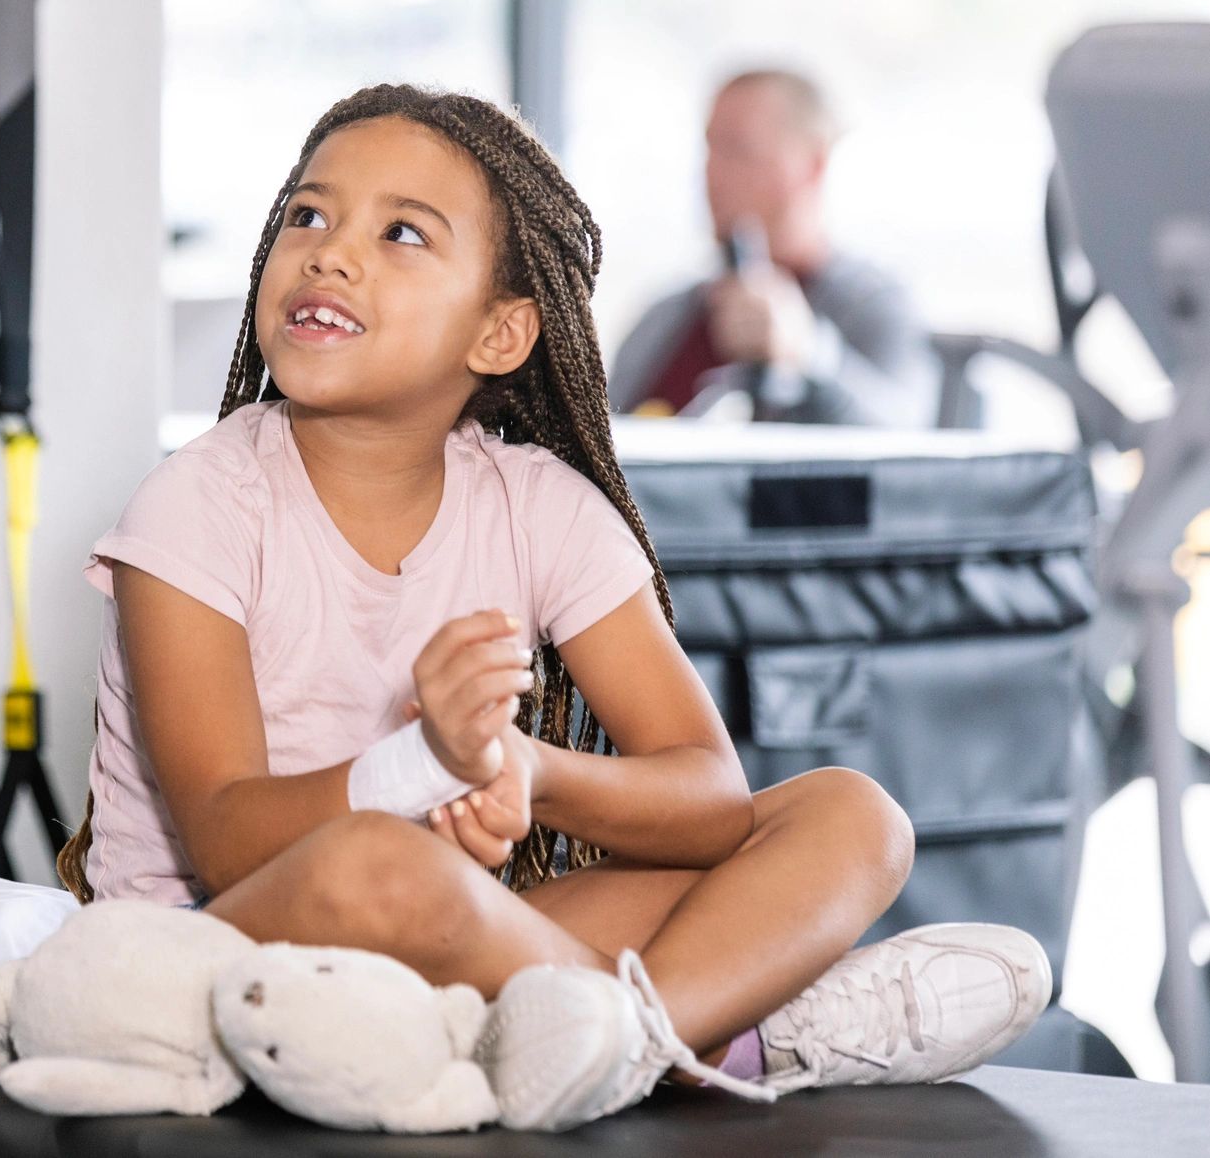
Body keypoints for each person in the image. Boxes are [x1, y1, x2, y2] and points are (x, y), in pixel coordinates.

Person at [51, 84, 1048, 1132]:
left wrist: (528, 769)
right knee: (379, 862)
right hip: (219, 950)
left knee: (854, 814)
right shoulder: (197, 501)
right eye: (307, 213)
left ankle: (616, 1039)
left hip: (458, 938)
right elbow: (226, 841)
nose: (329, 252)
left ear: (499, 332)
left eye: (400, 233)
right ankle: (722, 1032)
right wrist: (426, 759)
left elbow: (711, 798)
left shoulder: (539, 508)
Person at [606, 70, 938, 426]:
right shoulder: (667, 315)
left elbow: (904, 439)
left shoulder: (873, 305)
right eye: (711, 148)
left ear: (813, 165)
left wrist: (809, 353)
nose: (712, 173)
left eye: (739, 149)